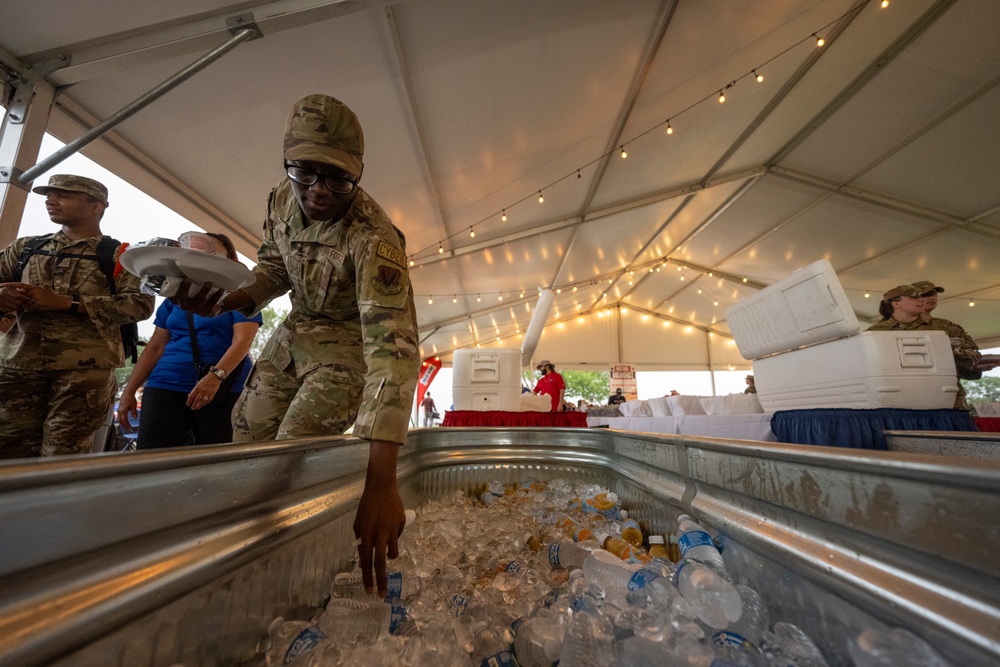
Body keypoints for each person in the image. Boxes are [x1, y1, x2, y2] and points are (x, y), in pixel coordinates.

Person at [174, 94, 420, 597]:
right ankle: (236, 567)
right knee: (243, 446)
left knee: (291, 456)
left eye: (337, 178)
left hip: (347, 352)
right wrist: (225, 302)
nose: (320, 190)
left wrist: (381, 483)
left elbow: (392, 351)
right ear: (287, 161)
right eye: (305, 172)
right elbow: (274, 268)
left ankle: (284, 581)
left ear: (359, 173)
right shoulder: (281, 199)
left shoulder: (374, 239)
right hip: (293, 339)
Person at [0, 174, 154, 459]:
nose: (50, 200)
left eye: (64, 195)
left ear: (97, 206)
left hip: (83, 375)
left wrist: (67, 303)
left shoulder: (120, 256)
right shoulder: (26, 248)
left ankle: (55, 505)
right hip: (18, 366)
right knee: (9, 452)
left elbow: (139, 306)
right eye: (49, 195)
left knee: (61, 456)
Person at [116, 233, 262, 448]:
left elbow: (243, 342)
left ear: (228, 258)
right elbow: (155, 347)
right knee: (153, 455)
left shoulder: (238, 297)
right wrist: (129, 390)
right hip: (164, 385)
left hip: (221, 389)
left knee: (214, 455)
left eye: (211, 249)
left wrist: (215, 378)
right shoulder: (174, 299)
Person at [868, 284, 981, 410]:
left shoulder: (945, 327)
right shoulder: (875, 333)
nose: (921, 300)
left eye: (922, 297)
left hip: (946, 398)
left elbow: (974, 359)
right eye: (914, 297)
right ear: (896, 303)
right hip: (896, 399)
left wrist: (955, 352)